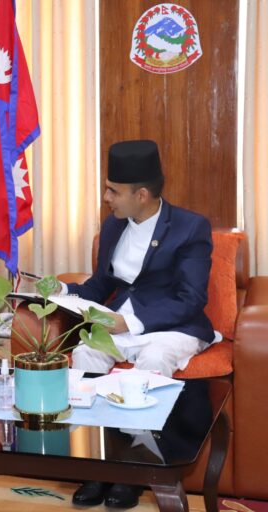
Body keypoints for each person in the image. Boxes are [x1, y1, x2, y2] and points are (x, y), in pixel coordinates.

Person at [61, 140, 219, 509]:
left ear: (142, 194)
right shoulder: (114, 226)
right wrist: (59, 290)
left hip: (174, 326)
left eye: (113, 191)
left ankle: (135, 469)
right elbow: (101, 284)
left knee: (153, 361)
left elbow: (191, 298)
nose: (106, 198)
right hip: (123, 323)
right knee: (86, 352)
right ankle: (99, 465)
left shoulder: (190, 227)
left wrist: (129, 322)